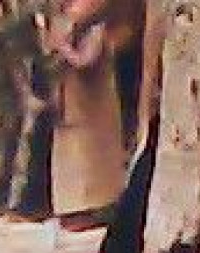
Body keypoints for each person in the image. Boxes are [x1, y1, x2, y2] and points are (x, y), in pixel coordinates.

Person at [46, 0, 145, 230]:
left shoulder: (96, 29)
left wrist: (66, 43)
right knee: (73, 151)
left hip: (94, 97)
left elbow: (87, 58)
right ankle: (73, 206)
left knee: (95, 149)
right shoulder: (66, 25)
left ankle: (98, 204)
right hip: (71, 98)